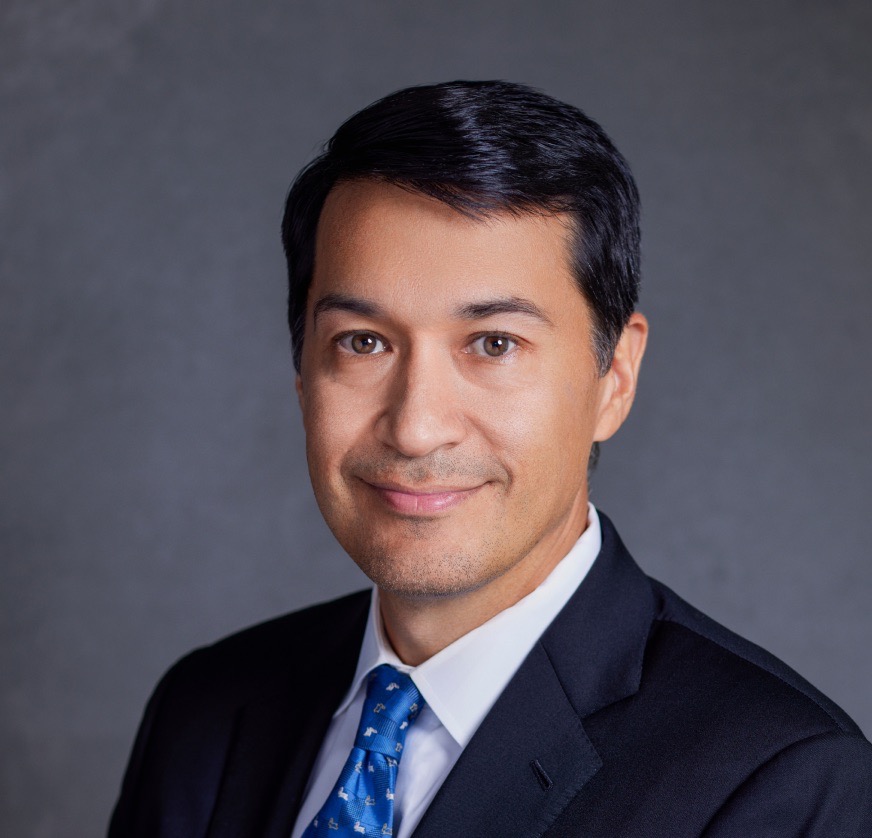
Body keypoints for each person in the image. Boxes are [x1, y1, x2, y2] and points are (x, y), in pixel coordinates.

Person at [108, 81, 872, 838]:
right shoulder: (206, 713)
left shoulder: (785, 785)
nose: (415, 428)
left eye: (494, 344)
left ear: (616, 377)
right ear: (302, 371)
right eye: (363, 343)